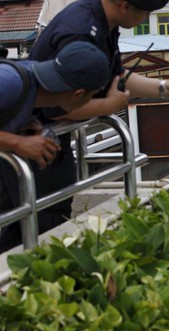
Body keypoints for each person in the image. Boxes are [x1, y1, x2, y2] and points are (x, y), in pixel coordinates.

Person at [18, 0, 169, 232]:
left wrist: (165, 87)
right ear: (125, 5)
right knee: (32, 231)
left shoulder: (104, 20)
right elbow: (60, 107)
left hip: (53, 146)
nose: (145, 19)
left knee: (55, 221)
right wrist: (107, 106)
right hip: (29, 145)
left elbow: (118, 77)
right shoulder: (79, 33)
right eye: (145, 13)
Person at [0, 42, 111, 250]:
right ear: (78, 94)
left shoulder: (30, 85)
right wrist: (18, 143)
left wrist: (18, 124)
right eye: (91, 98)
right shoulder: (11, 82)